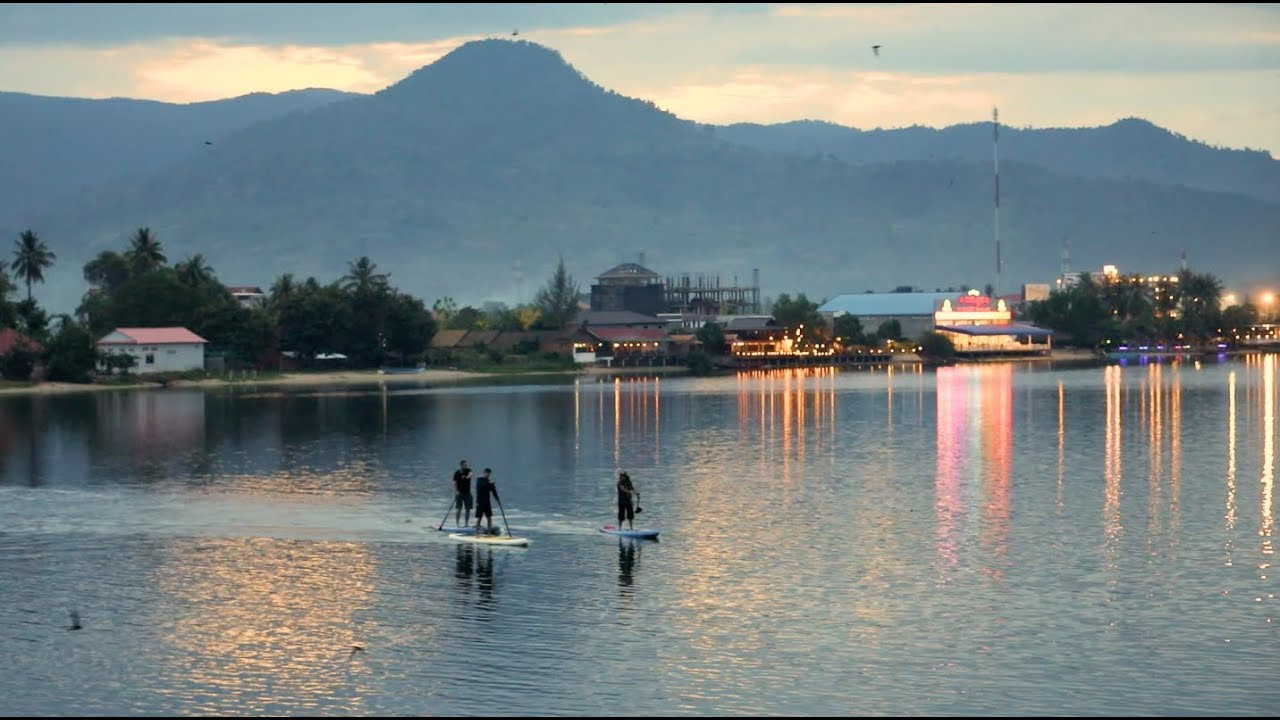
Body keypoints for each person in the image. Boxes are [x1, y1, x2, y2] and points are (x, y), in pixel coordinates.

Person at [474, 467, 500, 535]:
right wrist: (490, 483)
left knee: (489, 517)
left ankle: (489, 533)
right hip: (479, 502)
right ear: (484, 473)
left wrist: (497, 500)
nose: (488, 475)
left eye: (489, 474)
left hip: (487, 502)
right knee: (479, 517)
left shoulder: (489, 481)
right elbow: (481, 486)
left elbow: (494, 492)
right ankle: (477, 533)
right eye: (486, 473)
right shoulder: (479, 480)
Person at [452, 460, 472, 527]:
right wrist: (456, 491)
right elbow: (454, 483)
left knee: (468, 509)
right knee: (459, 508)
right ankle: (457, 523)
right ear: (461, 465)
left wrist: (467, 477)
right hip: (460, 493)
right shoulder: (457, 473)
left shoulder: (469, 470)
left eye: (466, 465)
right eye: (464, 465)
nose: (466, 466)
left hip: (467, 493)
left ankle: (466, 524)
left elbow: (470, 475)